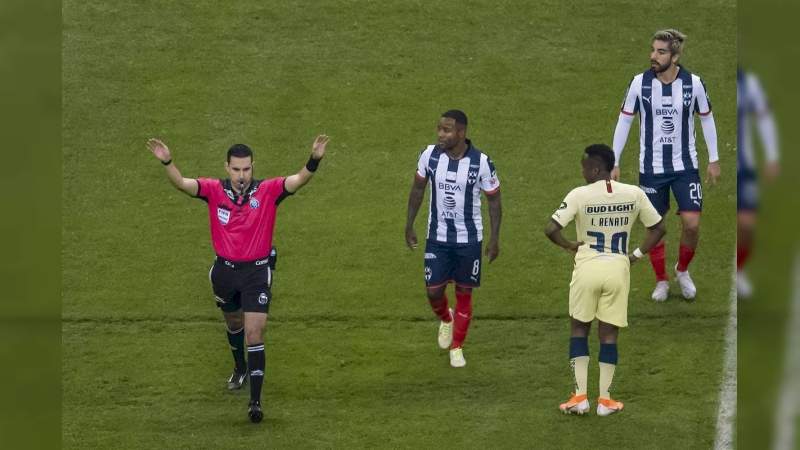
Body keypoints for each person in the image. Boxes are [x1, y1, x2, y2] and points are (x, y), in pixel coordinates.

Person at [146, 135, 330, 423]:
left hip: (256, 271)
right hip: (224, 272)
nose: (242, 175)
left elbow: (298, 179)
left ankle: (255, 403)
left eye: (246, 169)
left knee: (253, 332)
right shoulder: (212, 189)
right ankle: (240, 367)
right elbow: (182, 183)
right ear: (227, 168)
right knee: (233, 322)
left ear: (253, 167)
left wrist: (314, 159)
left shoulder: (268, 191)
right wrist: (168, 161)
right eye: (236, 169)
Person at [545, 144, 666, 416]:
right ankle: (606, 401)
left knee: (579, 329)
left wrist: (568, 245)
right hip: (618, 269)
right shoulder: (634, 193)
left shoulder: (579, 195)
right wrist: (635, 255)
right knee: (609, 334)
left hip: (587, 267)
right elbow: (659, 228)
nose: (582, 170)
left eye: (584, 166)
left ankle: (579, 397)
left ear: (596, 169)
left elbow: (550, 229)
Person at [611, 29, 720, 302]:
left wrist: (714, 158)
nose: (653, 56)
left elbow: (706, 117)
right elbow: (625, 120)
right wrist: (614, 160)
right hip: (652, 168)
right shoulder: (639, 83)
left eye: (660, 52)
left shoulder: (693, 83)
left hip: (685, 166)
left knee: (692, 224)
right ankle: (661, 280)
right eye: (653, 50)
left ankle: (682, 271)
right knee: (655, 226)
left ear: (675, 56)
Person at [405, 110, 502, 368]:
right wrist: (409, 224)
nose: (440, 134)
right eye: (439, 129)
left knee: (464, 291)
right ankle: (446, 319)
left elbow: (494, 201)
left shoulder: (481, 162)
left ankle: (457, 346)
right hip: (436, 236)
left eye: (447, 130)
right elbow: (417, 189)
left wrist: (494, 239)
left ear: (461, 133)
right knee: (433, 291)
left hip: (469, 239)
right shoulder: (429, 155)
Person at [736, 68, 780, 298]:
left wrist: (772, 156)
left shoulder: (747, 83)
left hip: (745, 168)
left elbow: (764, 118)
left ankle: (739, 269)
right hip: (718, 167)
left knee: (747, 225)